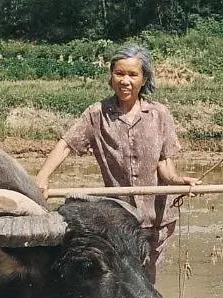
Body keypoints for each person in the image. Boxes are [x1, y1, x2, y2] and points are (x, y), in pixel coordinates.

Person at [35, 43, 201, 284]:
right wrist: (42, 177)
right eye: (119, 73)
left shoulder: (159, 114)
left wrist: (178, 181)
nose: (125, 81)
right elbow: (66, 144)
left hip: (158, 220)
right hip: (120, 221)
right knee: (125, 283)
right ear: (111, 77)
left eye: (133, 75)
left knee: (148, 281)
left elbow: (164, 165)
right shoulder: (96, 115)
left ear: (144, 79)